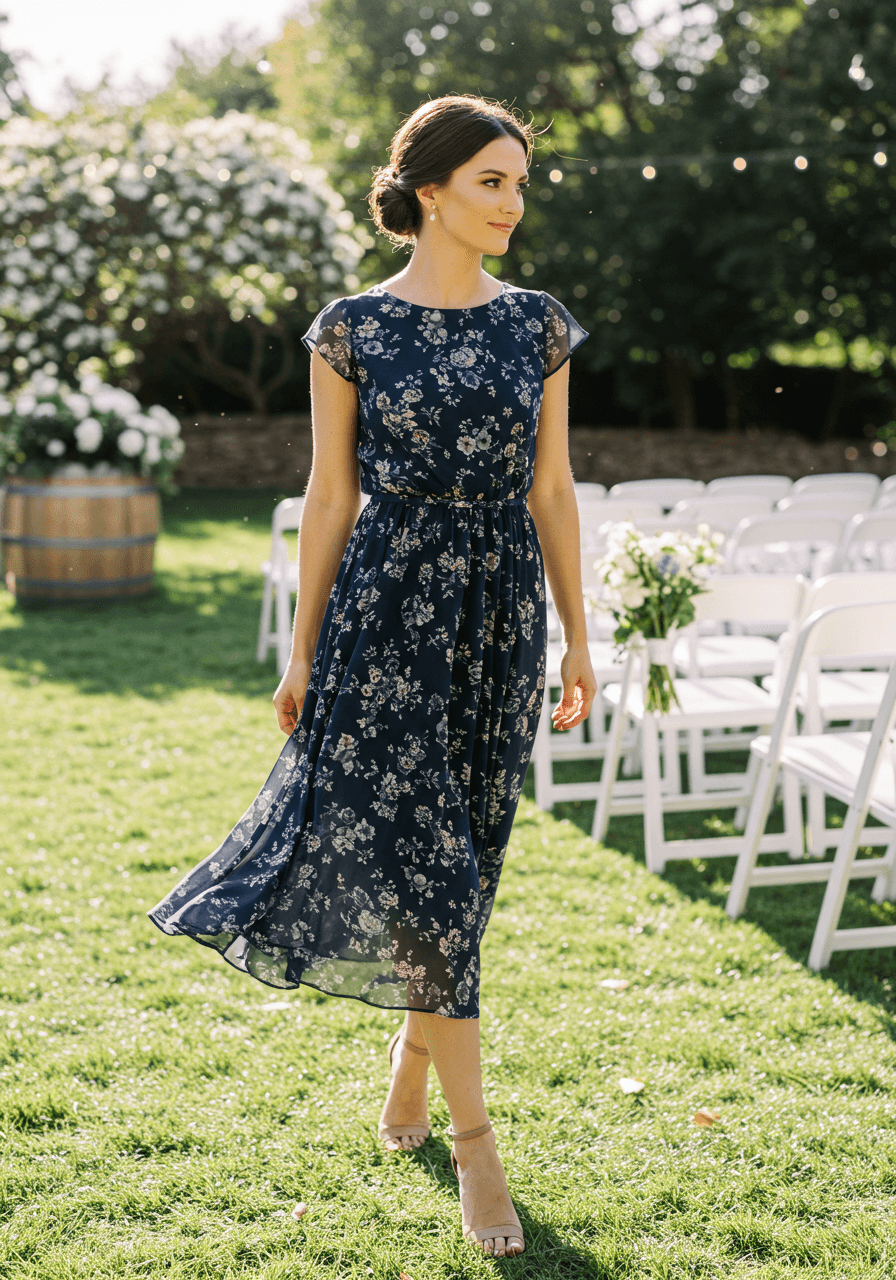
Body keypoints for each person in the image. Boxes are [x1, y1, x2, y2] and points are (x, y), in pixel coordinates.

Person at [148, 93, 597, 1259]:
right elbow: (329, 494)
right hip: (386, 609)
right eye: (491, 180)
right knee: (426, 860)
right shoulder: (349, 328)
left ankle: (410, 1064)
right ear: (429, 189)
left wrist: (576, 635)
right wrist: (302, 647)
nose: (512, 201)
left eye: (519, 181)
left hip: (497, 612)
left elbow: (552, 489)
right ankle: (475, 1142)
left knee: (468, 855)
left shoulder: (537, 325)